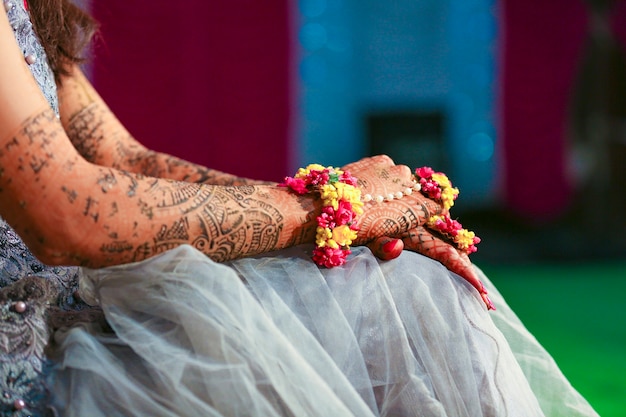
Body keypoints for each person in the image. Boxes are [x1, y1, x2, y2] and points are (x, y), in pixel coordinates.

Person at [0, 1, 599, 416]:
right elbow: (69, 213)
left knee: (404, 280)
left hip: (71, 306)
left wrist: (346, 214)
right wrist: (333, 210)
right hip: (29, 354)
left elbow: (124, 157)